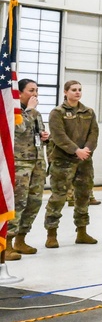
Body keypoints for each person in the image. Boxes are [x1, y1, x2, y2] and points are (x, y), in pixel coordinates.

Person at [45, 80, 100, 246]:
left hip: (84, 161)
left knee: (83, 196)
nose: (77, 92)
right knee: (58, 196)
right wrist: (76, 150)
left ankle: (82, 232)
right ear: (65, 92)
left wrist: (87, 150)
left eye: (79, 90)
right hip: (63, 160)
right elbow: (59, 136)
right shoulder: (57, 112)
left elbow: (94, 134)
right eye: (74, 90)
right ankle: (51, 234)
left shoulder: (88, 112)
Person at [5, 79, 51, 260]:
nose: (35, 94)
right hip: (20, 163)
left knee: (34, 202)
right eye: (31, 90)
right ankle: (6, 243)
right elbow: (18, 129)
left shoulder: (36, 114)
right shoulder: (14, 111)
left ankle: (21, 239)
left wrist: (45, 137)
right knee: (18, 202)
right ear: (20, 93)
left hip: (37, 162)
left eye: (37, 90)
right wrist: (30, 110)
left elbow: (38, 134)